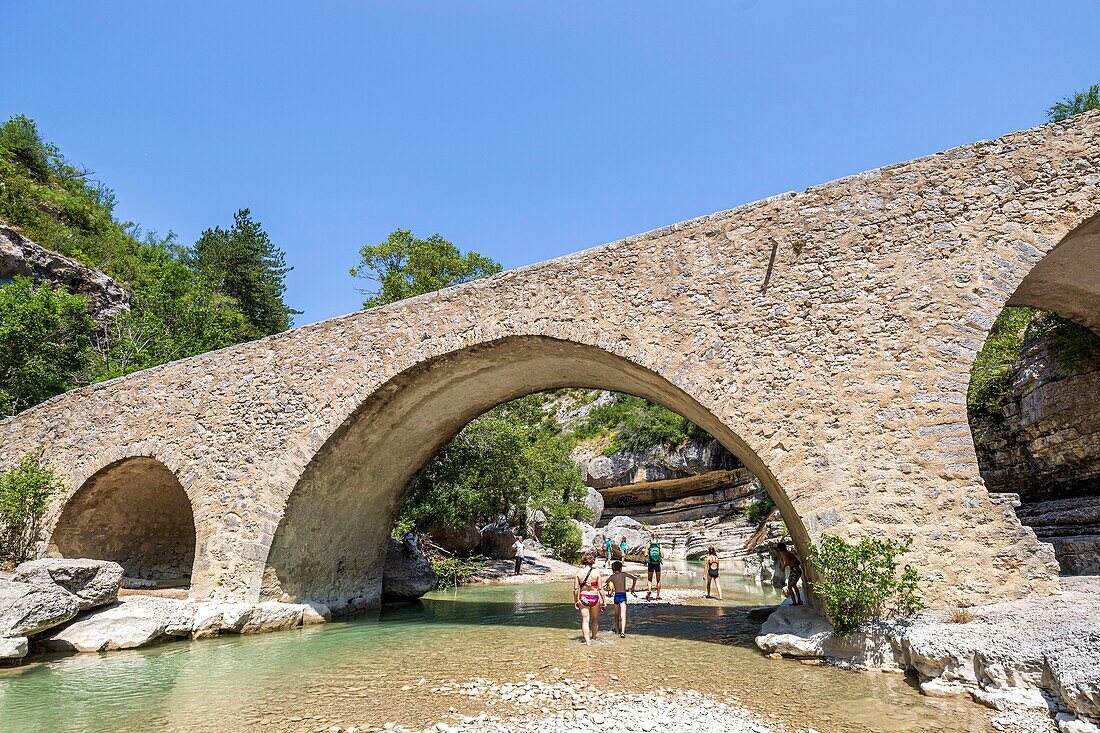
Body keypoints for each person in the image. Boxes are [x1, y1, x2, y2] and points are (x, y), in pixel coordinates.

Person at [573, 552, 606, 645]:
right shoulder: (596, 573)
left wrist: (576, 601)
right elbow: (600, 589)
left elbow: (575, 589)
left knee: (585, 620)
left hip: (583, 598)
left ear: (584, 561)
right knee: (595, 619)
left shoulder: (578, 574)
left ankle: (587, 642)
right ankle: (594, 638)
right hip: (594, 597)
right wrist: (604, 601)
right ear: (593, 561)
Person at [603, 560, 639, 638]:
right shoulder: (623, 574)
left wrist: (609, 585)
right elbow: (634, 578)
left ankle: (617, 630)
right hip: (623, 595)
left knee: (616, 614)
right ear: (621, 568)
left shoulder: (612, 577)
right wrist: (632, 588)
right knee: (623, 614)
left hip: (616, 596)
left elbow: (606, 582)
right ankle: (622, 632)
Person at [776, 541, 803, 605]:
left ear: (779, 549)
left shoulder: (783, 553)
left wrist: (783, 567)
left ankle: (794, 602)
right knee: (794, 585)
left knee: (789, 587)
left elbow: (787, 562)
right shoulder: (790, 553)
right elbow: (798, 562)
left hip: (794, 570)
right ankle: (799, 600)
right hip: (798, 569)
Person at [645, 535, 663, 601]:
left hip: (650, 564)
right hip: (657, 564)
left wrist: (649, 554)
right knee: (658, 580)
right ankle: (657, 596)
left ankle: (649, 590)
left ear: (651, 538)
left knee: (650, 579)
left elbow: (645, 554)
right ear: (657, 538)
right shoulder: (659, 545)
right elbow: (662, 555)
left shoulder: (649, 544)